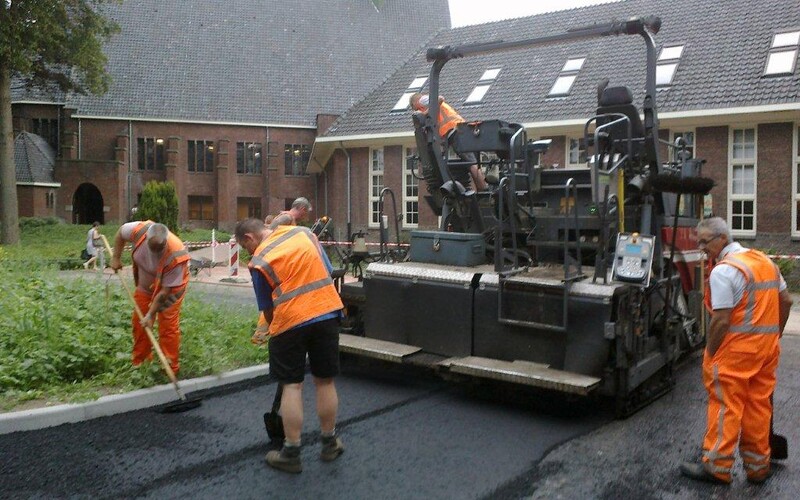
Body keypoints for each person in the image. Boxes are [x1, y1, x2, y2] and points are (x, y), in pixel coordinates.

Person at [680, 217, 792, 485]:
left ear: (722, 239)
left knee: (725, 406)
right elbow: (785, 301)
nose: (702, 248)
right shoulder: (765, 262)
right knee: (757, 406)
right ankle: (758, 467)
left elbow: (721, 320)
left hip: (735, 354)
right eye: (699, 243)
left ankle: (717, 467)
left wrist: (710, 352)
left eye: (705, 242)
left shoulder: (724, 271)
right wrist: (773, 335)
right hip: (765, 351)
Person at [235, 217, 345, 474]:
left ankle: (291, 452)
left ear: (249, 238)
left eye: (245, 247)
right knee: (325, 381)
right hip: (327, 312)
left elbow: (268, 309)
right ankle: (330, 443)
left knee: (292, 385)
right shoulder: (304, 234)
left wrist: (270, 330)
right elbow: (327, 270)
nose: (248, 252)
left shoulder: (259, 260)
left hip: (291, 324)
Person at [110, 221, 190, 374]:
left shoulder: (176, 254)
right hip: (145, 286)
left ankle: (169, 368)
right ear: (146, 238)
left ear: (165, 242)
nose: (155, 253)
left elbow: (164, 292)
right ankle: (141, 363)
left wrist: (150, 314)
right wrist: (116, 257)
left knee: (168, 327)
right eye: (152, 248)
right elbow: (120, 233)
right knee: (139, 323)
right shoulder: (138, 230)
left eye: (159, 250)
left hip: (171, 289)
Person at [409, 92, 488, 191]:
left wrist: (426, 113)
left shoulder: (422, 100)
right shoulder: (426, 107)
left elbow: (440, 98)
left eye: (414, 108)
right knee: (469, 162)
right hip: (455, 131)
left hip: (456, 130)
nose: (416, 110)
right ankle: (481, 190)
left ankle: (484, 191)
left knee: (471, 163)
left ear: (414, 102)